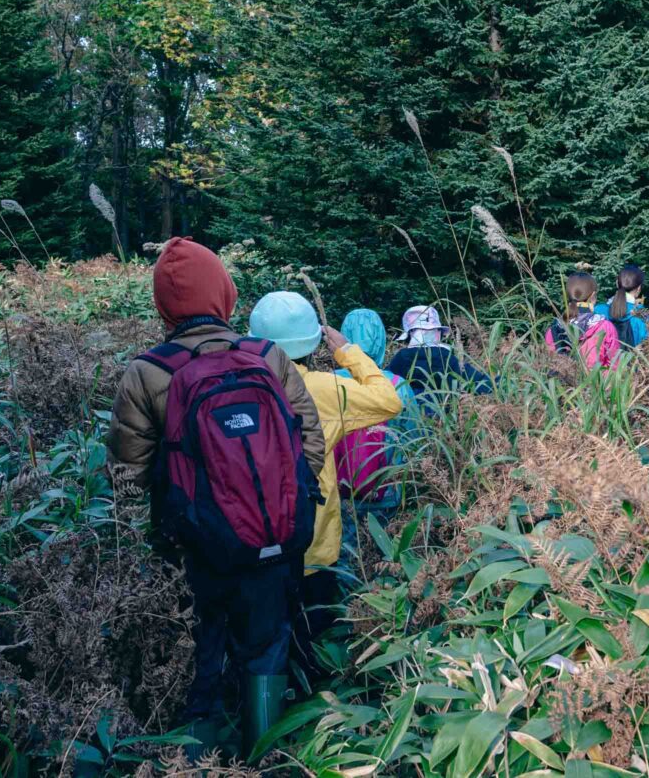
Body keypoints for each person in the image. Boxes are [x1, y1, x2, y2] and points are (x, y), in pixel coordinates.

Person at [107, 238, 326, 757]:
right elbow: (308, 444)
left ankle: (196, 760)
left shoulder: (148, 371)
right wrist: (268, 505)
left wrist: (176, 531)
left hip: (196, 550)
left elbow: (126, 477)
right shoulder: (266, 356)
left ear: (163, 306)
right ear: (226, 294)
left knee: (199, 655)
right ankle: (262, 753)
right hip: (275, 541)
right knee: (267, 646)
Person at [247, 292, 403, 676]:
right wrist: (348, 352)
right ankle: (316, 713)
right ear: (313, 342)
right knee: (314, 635)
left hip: (250, 538)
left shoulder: (239, 382)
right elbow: (388, 400)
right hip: (313, 541)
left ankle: (260, 712)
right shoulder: (325, 388)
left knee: (259, 643)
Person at [331, 308, 418, 570]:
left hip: (341, 493)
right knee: (385, 558)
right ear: (381, 340)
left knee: (346, 556)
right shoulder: (398, 385)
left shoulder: (327, 383)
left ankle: (345, 605)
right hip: (388, 492)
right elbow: (414, 439)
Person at [387, 304, 493, 402]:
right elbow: (478, 383)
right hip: (443, 418)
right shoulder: (445, 357)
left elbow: (385, 383)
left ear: (410, 335)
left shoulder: (401, 358)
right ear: (437, 333)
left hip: (408, 417)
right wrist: (501, 381)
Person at [546, 271, 620, 369]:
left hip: (562, 383)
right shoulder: (605, 326)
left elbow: (549, 362)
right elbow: (615, 366)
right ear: (593, 296)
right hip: (596, 382)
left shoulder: (554, 328)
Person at [595, 264, 649, 349]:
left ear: (616, 283)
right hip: (633, 361)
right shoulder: (643, 316)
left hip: (602, 362)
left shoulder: (598, 311)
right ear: (639, 288)